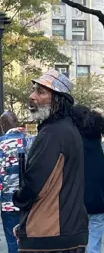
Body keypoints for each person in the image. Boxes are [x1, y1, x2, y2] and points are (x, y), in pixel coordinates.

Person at [13, 69, 88, 253]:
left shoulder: (52, 133)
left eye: (41, 92)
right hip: (68, 232)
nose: (32, 96)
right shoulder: (67, 130)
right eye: (34, 90)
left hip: (49, 237)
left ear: (58, 100)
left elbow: (34, 185)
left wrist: (18, 198)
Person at [0, 111, 33, 253]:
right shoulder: (32, 140)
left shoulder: (1, 143)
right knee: (30, 242)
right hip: (31, 201)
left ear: (2, 125)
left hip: (10, 202)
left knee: (13, 243)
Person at [72, 105, 104, 253]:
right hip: (99, 200)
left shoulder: (73, 140)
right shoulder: (98, 140)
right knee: (94, 245)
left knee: (75, 244)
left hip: (77, 201)